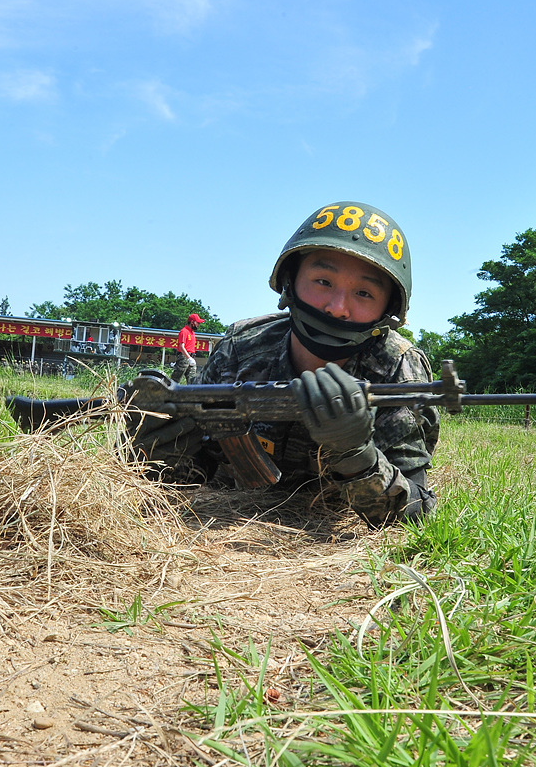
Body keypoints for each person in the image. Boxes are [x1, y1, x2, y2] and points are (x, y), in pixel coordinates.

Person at [135, 202, 439, 527]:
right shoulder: (242, 347)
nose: (336, 308)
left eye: (364, 293)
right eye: (323, 281)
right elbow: (193, 474)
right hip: (231, 525)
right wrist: (158, 449)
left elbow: (415, 514)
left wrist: (357, 455)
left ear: (387, 309)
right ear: (290, 280)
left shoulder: (398, 369)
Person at [170, 313, 204, 384]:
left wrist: (191, 358)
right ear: (192, 322)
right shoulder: (184, 331)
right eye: (197, 323)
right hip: (184, 357)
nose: (198, 325)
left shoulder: (192, 333)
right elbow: (181, 347)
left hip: (191, 356)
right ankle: (168, 393)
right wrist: (188, 358)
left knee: (192, 380)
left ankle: (191, 394)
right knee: (175, 380)